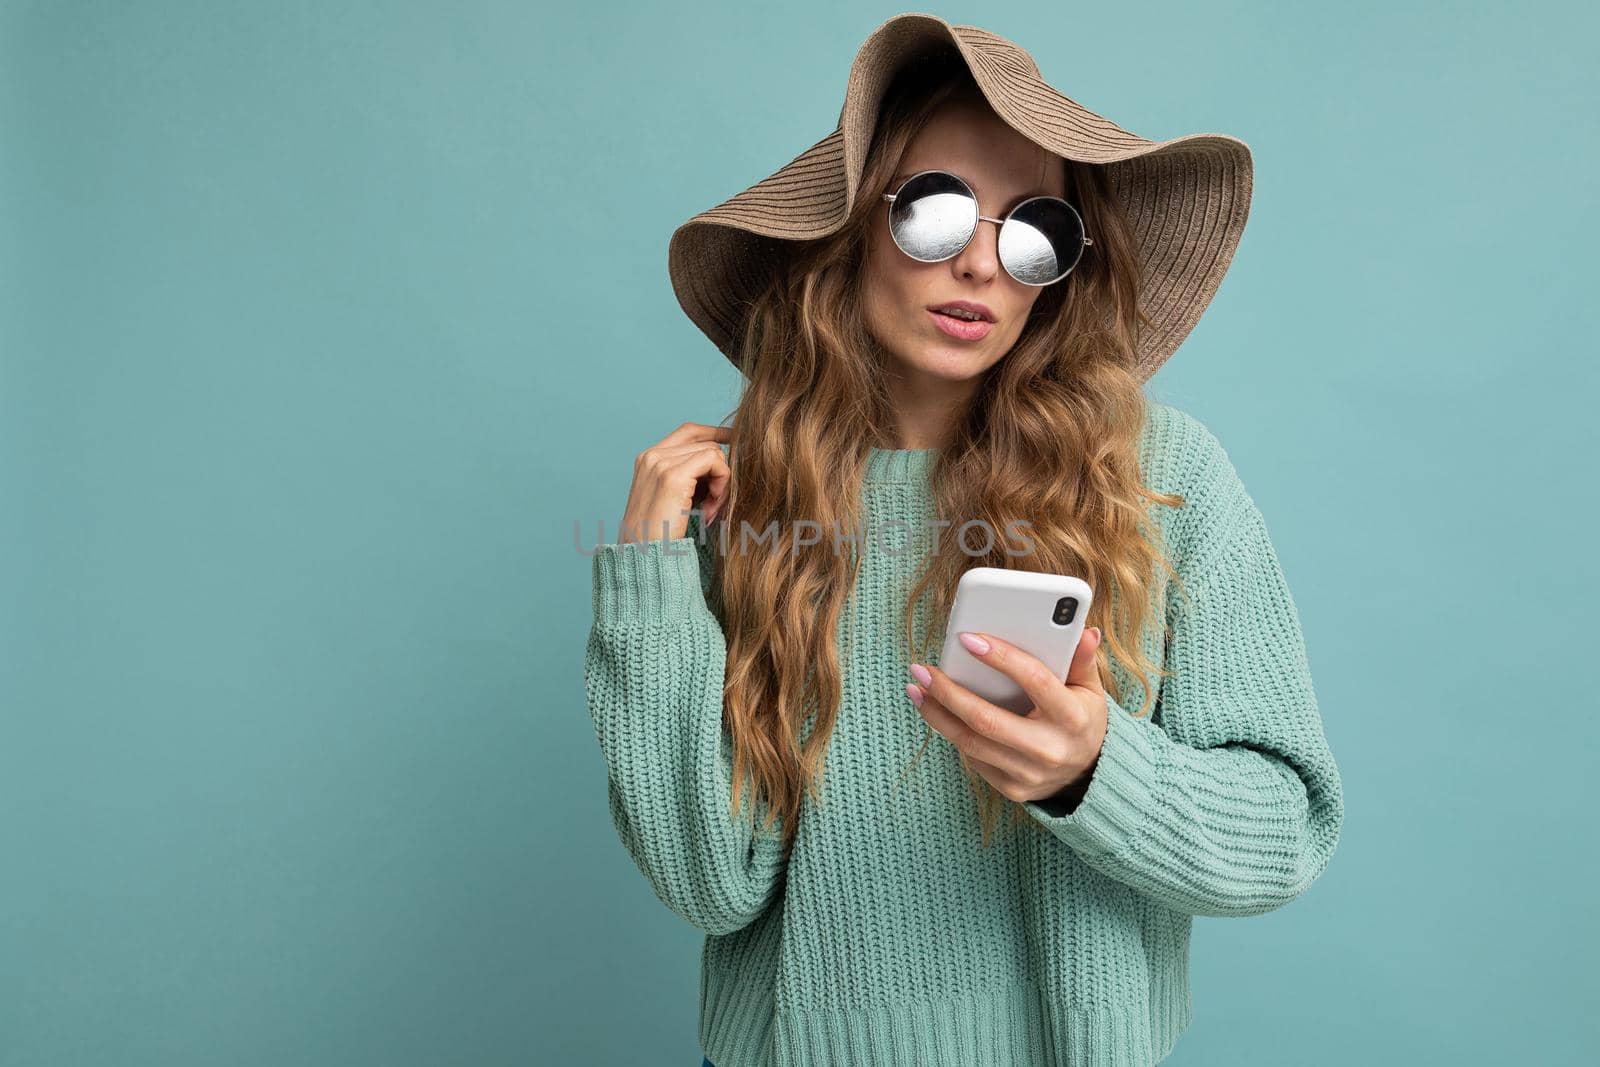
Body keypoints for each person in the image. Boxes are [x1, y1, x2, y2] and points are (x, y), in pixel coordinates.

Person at [584, 13, 1344, 1067]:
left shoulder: (1162, 477)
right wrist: (651, 585)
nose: (983, 264)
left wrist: (1090, 767)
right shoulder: (750, 499)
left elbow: (1283, 830)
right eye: (937, 211)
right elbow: (711, 881)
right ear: (850, 226)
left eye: (1033, 228)